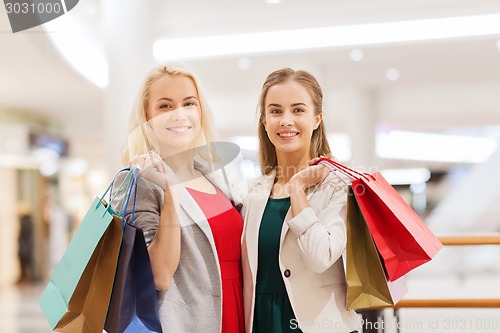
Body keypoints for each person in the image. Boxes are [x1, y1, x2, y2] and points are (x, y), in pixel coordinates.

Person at [113, 62, 244, 333]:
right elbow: (158, 275)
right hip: (188, 324)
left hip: (236, 313)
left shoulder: (216, 177)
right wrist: (172, 191)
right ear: (146, 116)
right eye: (165, 106)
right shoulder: (140, 182)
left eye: (188, 103)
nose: (179, 114)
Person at [241, 68, 360, 333]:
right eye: (275, 111)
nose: (285, 120)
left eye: (297, 110)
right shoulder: (252, 193)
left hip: (319, 325)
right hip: (263, 322)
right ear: (264, 121)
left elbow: (320, 256)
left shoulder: (339, 186)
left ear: (317, 119)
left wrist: (297, 187)